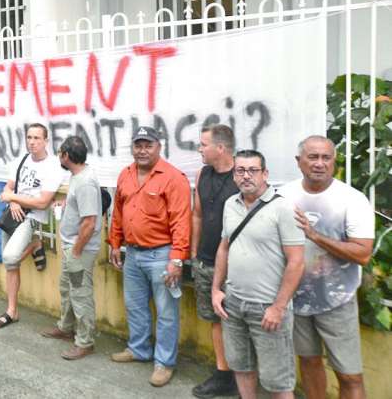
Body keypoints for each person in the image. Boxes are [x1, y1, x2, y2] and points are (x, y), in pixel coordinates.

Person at [280, 136, 374, 399]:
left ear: (334, 161)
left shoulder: (351, 199)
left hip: (337, 299)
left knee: (349, 375)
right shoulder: (284, 196)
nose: (319, 163)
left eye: (326, 157)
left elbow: (363, 254)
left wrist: (314, 235)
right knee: (309, 362)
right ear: (299, 161)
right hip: (296, 298)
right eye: (313, 157)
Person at [211, 150, 305, 399]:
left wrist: (278, 307)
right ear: (234, 175)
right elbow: (224, 248)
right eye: (240, 171)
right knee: (241, 367)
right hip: (233, 304)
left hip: (268, 308)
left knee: (278, 381)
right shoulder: (230, 204)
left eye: (253, 170)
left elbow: (296, 262)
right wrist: (216, 290)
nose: (246, 176)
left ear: (265, 174)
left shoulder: (283, 208)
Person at [108, 126, 191, 388]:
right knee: (135, 305)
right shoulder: (126, 174)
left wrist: (176, 259)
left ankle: (164, 363)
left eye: (148, 145)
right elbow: (118, 212)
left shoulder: (173, 178)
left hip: (162, 255)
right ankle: (139, 349)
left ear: (159, 147)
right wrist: (115, 243)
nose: (142, 150)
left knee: (166, 312)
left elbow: (181, 221)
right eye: (138, 145)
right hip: (132, 254)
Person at [0, 123, 63, 329]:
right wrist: (13, 201)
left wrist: (13, 198)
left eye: (37, 138)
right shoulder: (21, 160)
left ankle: (34, 244)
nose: (32, 142)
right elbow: (8, 188)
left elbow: (42, 202)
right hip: (13, 214)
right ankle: (11, 311)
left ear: (46, 141)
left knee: (9, 257)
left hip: (31, 217)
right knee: (10, 264)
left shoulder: (53, 166)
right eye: (29, 137)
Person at [40, 136, 102, 361]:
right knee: (67, 288)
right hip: (72, 247)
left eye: (60, 153)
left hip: (79, 250)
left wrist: (76, 251)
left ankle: (85, 342)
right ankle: (65, 328)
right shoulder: (78, 175)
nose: (59, 156)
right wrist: (65, 204)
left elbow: (89, 222)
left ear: (66, 156)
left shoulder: (85, 182)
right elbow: (79, 205)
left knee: (80, 294)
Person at [190, 125, 239, 398]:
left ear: (220, 148)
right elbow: (197, 214)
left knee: (241, 322)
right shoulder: (202, 174)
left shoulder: (241, 176)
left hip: (237, 266)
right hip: (206, 261)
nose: (199, 149)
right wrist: (194, 252)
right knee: (215, 319)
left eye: (203, 144)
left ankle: (245, 378)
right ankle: (223, 375)